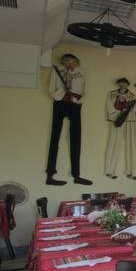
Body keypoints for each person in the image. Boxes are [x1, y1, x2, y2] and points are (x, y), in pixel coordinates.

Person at [45, 53, 91, 186]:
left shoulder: (82, 73)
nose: (70, 63)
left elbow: (85, 89)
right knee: (55, 137)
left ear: (77, 62)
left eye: (73, 61)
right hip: (60, 103)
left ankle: (77, 175)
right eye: (67, 61)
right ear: (63, 62)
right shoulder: (56, 71)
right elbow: (51, 89)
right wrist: (61, 92)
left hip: (75, 104)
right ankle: (50, 175)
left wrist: (78, 100)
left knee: (76, 139)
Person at [104, 77, 136, 180]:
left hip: (129, 120)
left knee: (131, 145)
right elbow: (109, 106)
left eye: (124, 84)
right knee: (113, 143)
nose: (122, 85)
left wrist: (128, 108)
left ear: (127, 85)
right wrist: (116, 115)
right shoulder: (112, 94)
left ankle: (131, 171)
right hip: (117, 120)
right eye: (121, 83)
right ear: (118, 84)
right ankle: (109, 171)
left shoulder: (133, 96)